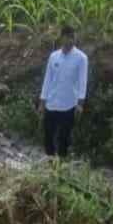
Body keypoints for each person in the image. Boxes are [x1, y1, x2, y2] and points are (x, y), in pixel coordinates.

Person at [37, 26, 89, 158]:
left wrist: (80, 104)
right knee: (48, 135)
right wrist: (42, 102)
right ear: (62, 38)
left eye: (73, 37)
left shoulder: (81, 58)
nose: (71, 40)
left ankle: (61, 167)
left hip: (69, 105)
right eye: (68, 37)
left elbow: (83, 82)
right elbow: (47, 80)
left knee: (64, 138)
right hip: (51, 102)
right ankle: (50, 162)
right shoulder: (54, 56)